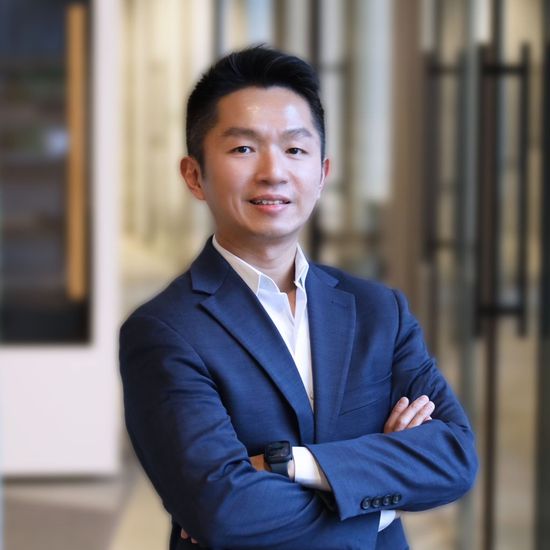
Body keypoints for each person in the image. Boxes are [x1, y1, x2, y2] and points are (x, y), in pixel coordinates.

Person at [119, 45, 477, 550]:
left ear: (323, 172)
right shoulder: (163, 331)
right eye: (243, 149)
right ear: (194, 176)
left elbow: (455, 458)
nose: (274, 172)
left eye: (295, 149)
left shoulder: (379, 311)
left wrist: (291, 464)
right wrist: (380, 494)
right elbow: (224, 510)